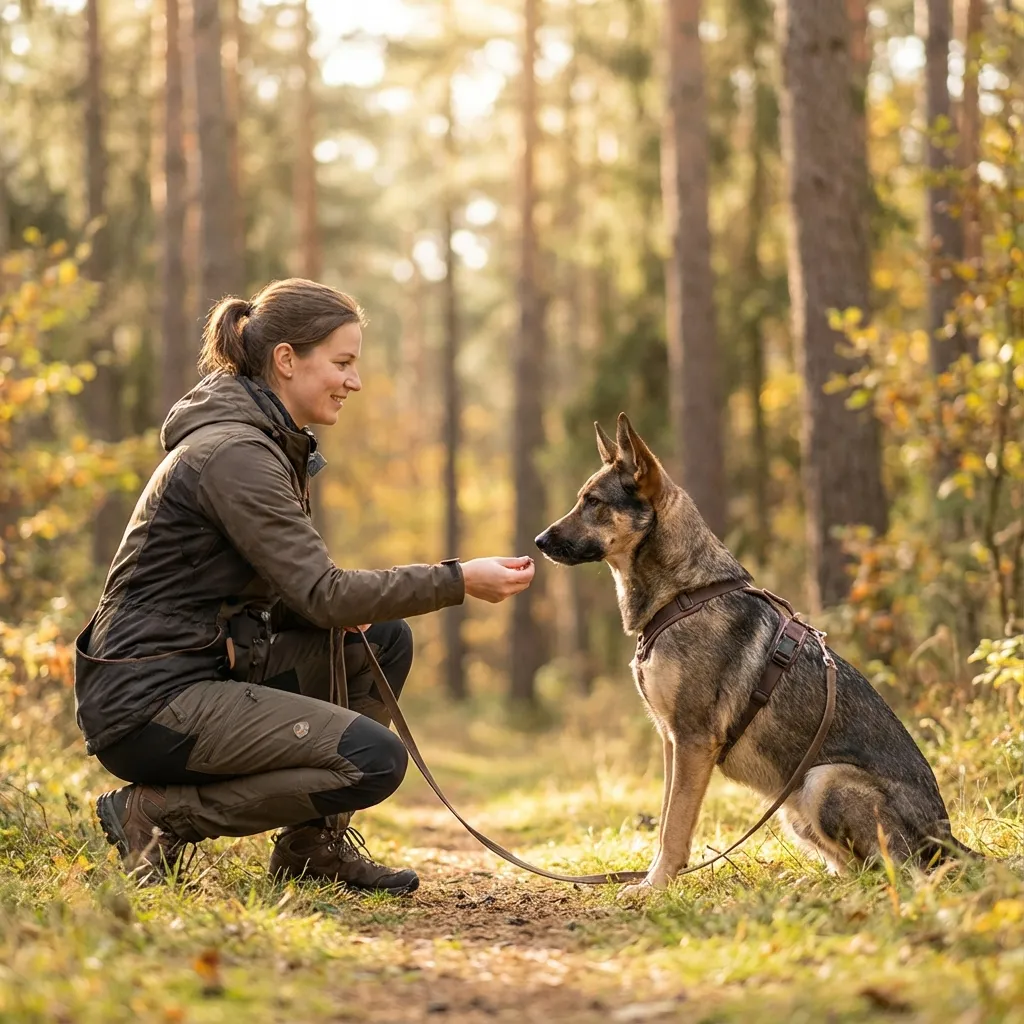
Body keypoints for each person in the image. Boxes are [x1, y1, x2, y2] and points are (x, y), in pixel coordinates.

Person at [75, 278, 535, 895]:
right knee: (374, 761)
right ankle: (154, 816)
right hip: (150, 702)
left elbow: (285, 599)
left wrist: (340, 611)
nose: (355, 381)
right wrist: (459, 579)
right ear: (287, 360)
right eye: (342, 363)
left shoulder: (266, 444)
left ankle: (310, 848)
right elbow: (324, 594)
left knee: (383, 641)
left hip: (205, 672)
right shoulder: (235, 453)